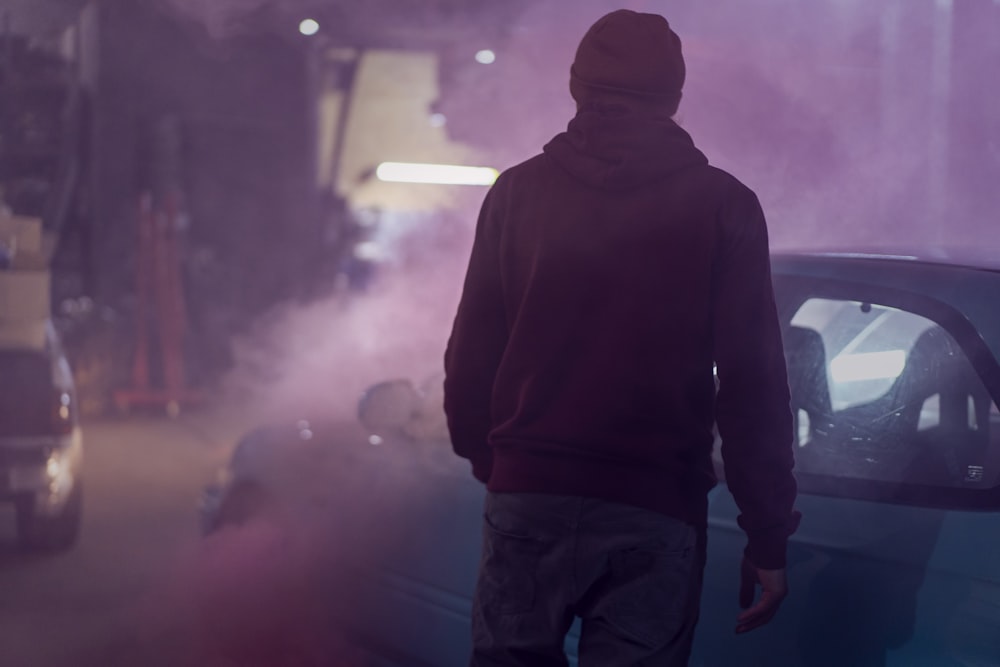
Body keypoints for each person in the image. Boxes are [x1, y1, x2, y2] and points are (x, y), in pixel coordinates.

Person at [443, 9, 800, 666]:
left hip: (530, 497)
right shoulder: (726, 207)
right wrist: (767, 535)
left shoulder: (517, 193)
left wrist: (500, 465)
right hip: (655, 505)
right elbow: (753, 387)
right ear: (673, 97)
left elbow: (471, 354)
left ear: (577, 87)